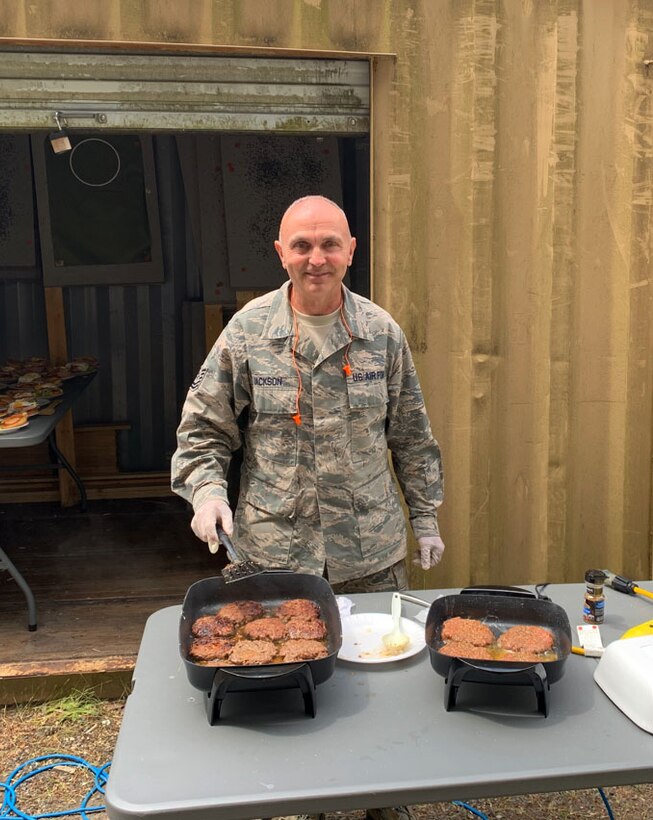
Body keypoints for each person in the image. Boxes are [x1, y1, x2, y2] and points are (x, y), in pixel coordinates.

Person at [170, 195, 445, 820]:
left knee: (382, 695)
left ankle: (384, 801)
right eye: (302, 245)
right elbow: (203, 432)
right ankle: (307, 801)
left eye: (328, 244)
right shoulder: (248, 331)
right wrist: (208, 492)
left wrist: (426, 518)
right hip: (273, 556)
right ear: (281, 253)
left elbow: (411, 436)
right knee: (289, 693)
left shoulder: (381, 333)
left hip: (369, 555)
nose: (315, 258)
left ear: (351, 251)